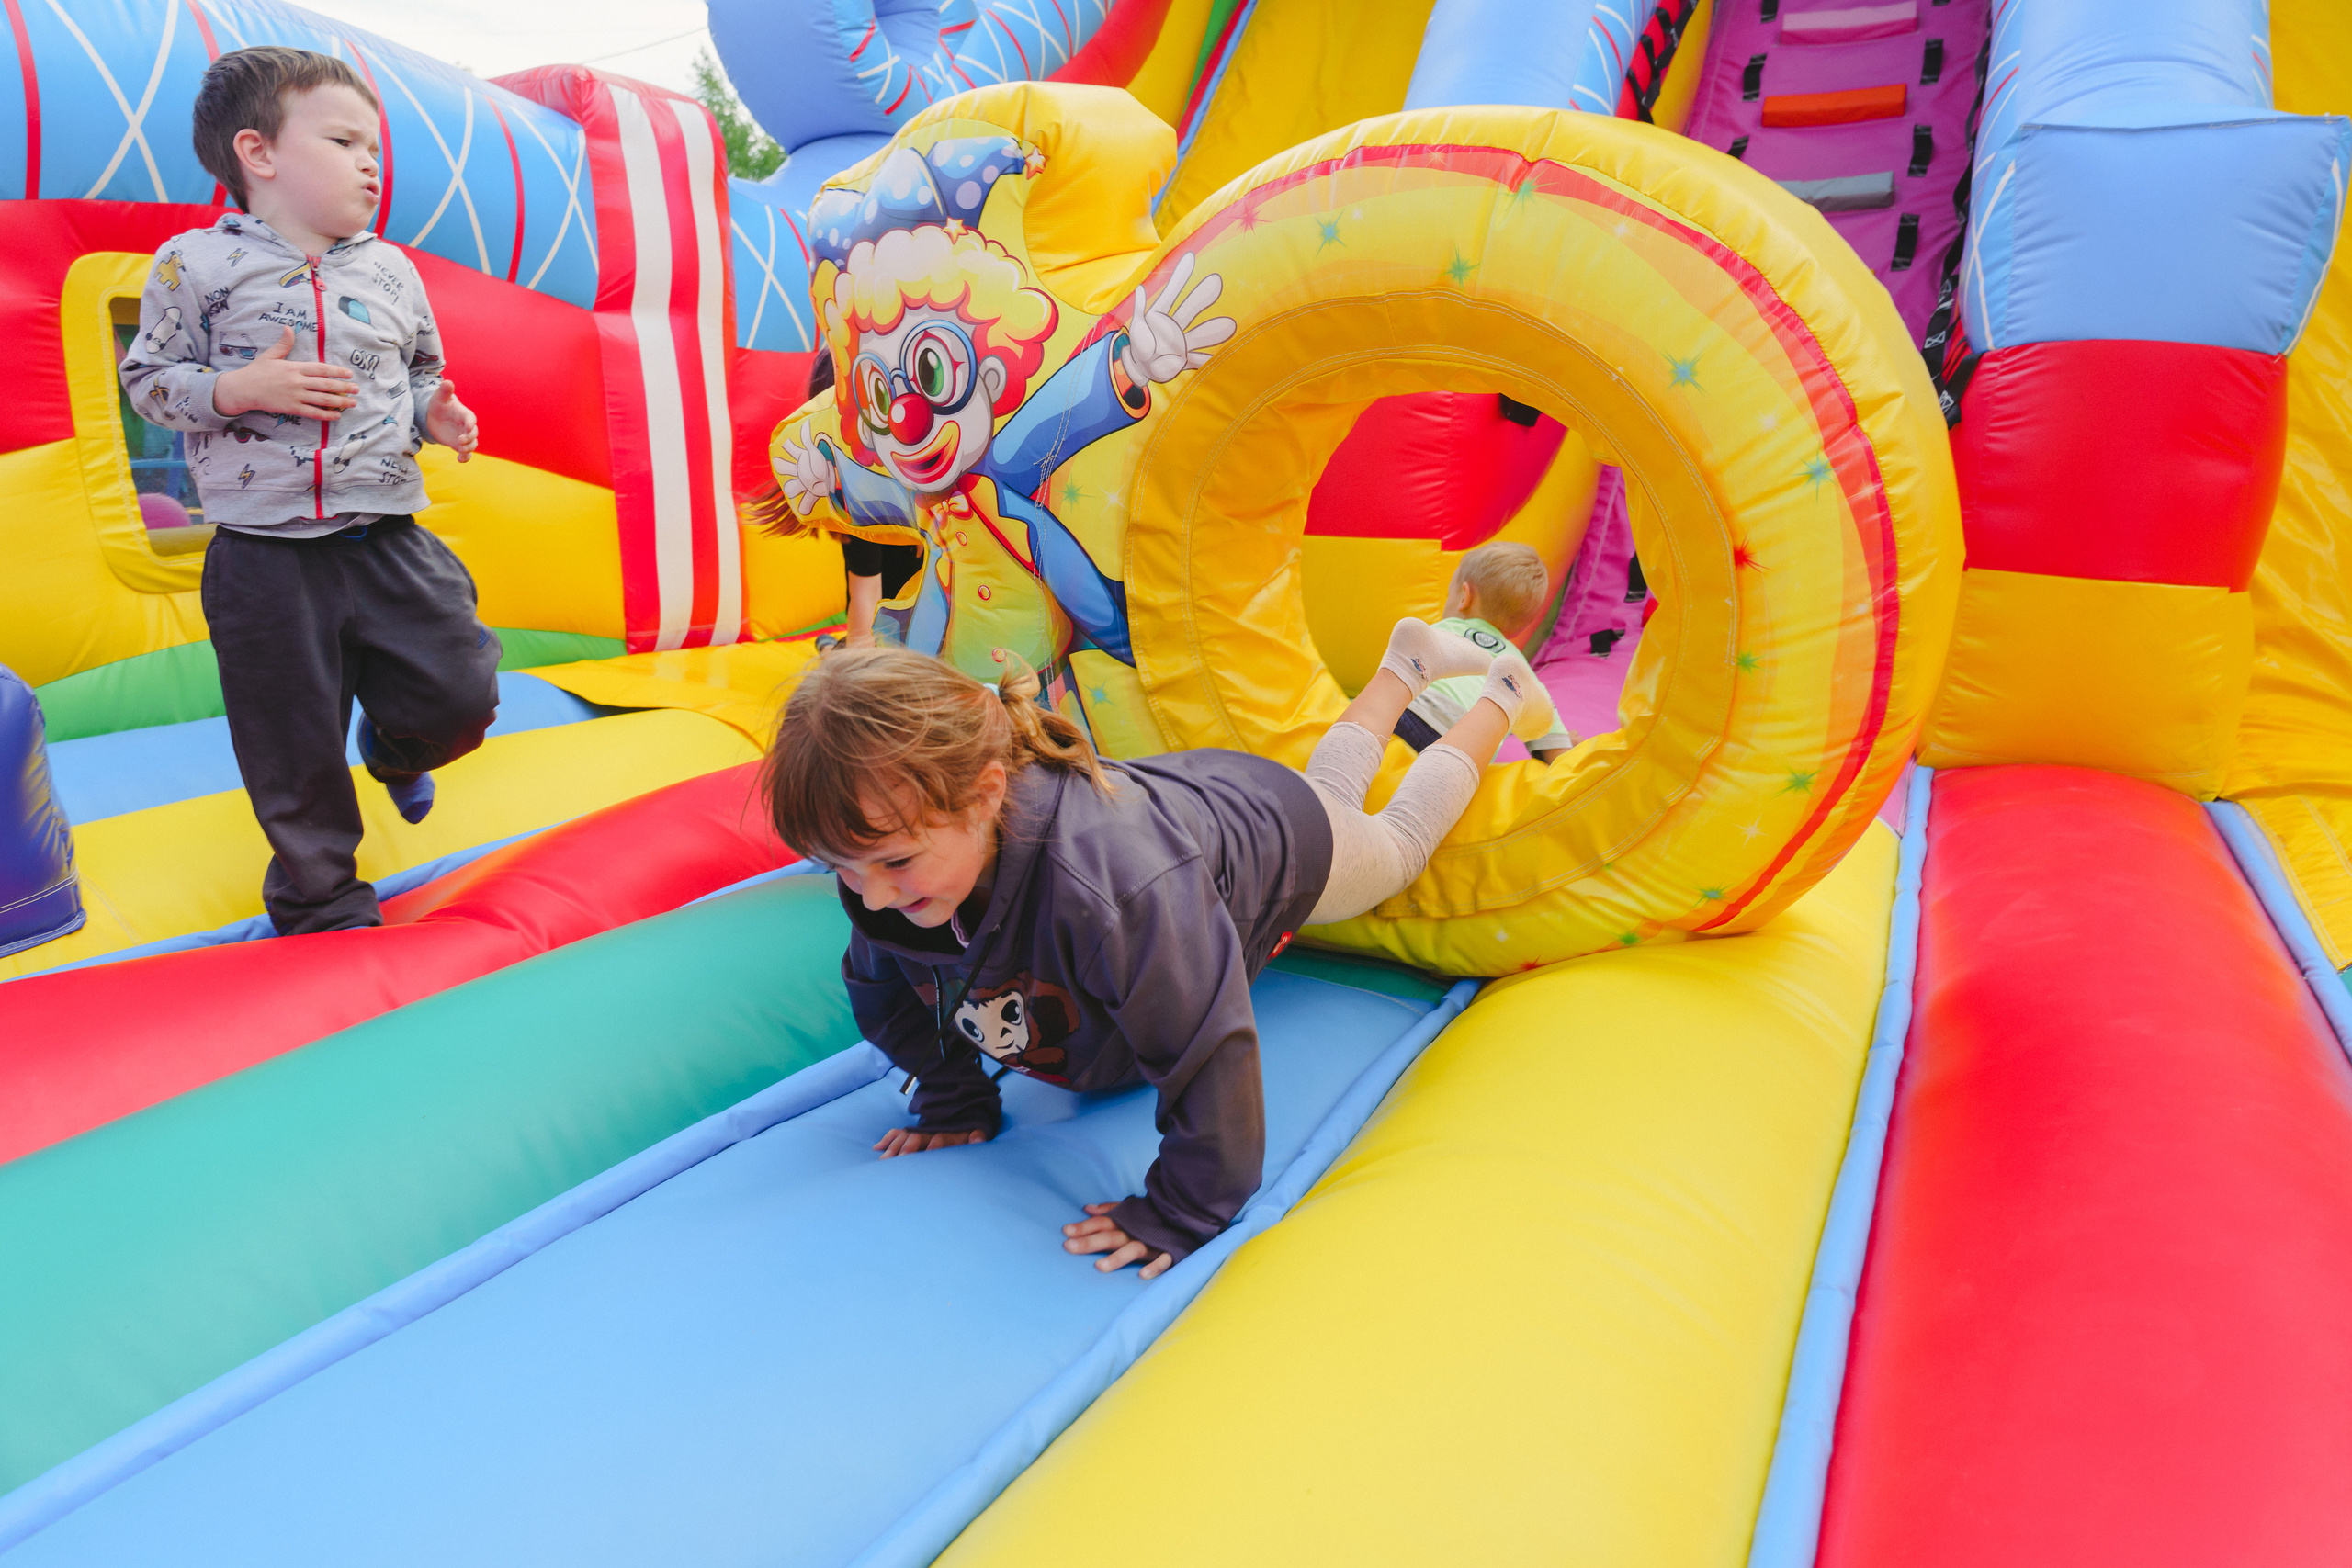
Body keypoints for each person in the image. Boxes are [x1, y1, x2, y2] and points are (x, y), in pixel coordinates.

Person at [762, 619, 1557, 1278]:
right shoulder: (902, 873)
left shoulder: (1115, 891)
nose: (868, 896)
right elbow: (886, 993)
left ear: (986, 795)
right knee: (1335, 794)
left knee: (1390, 845)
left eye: (893, 862)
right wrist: (953, 1097)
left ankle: (1501, 695)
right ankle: (1407, 663)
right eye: (842, 868)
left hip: (1276, 839)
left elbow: (1207, 1045)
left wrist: (1183, 1206)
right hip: (1198, 799)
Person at [119, 47, 493, 934]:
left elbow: (418, 375)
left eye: (376, 146)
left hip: (386, 532)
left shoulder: (391, 271)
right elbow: (148, 381)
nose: (373, 162)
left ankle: (399, 747)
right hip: (263, 556)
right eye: (345, 140)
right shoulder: (195, 264)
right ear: (259, 153)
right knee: (291, 744)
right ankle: (321, 902)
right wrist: (238, 389)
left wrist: (431, 417)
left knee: (462, 688)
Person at [1398, 541, 1578, 764]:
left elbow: (1395, 674)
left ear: (1464, 597)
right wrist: (1569, 747)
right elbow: (1555, 751)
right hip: (1470, 749)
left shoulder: (1441, 631)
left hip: (1414, 715)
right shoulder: (1519, 669)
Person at [806, 352, 921, 648]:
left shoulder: (914, 471)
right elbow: (866, 595)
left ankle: (835, 649)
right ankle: (834, 651)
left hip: (916, 627)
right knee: (857, 648)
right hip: (882, 636)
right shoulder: (857, 493)